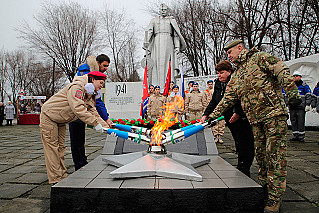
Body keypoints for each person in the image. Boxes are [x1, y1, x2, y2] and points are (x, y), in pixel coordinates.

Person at [207, 39, 301, 212]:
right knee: (262, 157)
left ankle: (274, 199)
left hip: (273, 116)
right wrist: (210, 117)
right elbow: (227, 98)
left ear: (240, 48)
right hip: (255, 120)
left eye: (230, 53)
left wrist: (292, 92)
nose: (229, 56)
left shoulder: (260, 58)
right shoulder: (238, 74)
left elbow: (281, 70)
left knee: (275, 157)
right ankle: (265, 189)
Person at [40, 71, 109, 184]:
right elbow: (78, 109)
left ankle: (62, 174)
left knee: (61, 147)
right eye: (100, 82)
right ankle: (56, 178)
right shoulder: (77, 88)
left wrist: (106, 128)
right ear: (92, 80)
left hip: (60, 119)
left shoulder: (90, 93)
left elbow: (93, 111)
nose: (101, 85)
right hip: (49, 115)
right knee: (52, 147)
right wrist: (95, 124)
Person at [201, 60, 254, 176]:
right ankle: (241, 163)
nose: (219, 75)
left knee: (245, 142)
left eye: (222, 73)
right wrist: (206, 115)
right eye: (218, 73)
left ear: (229, 72)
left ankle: (245, 167)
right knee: (238, 142)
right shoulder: (219, 84)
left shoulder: (237, 81)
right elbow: (215, 101)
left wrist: (239, 113)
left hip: (242, 118)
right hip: (230, 118)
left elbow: (244, 99)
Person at [69, 54, 112, 171]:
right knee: (76, 140)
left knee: (80, 139)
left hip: (84, 110)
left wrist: (105, 120)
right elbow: (94, 102)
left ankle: (82, 162)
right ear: (97, 63)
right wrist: (101, 121)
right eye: (104, 65)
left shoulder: (96, 77)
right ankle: (78, 164)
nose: (106, 68)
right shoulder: (85, 74)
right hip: (76, 111)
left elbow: (96, 102)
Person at [143, 3, 186, 86]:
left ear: (167, 11)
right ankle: (156, 87)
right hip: (156, 43)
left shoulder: (171, 20)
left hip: (168, 43)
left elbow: (176, 35)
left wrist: (177, 47)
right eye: (162, 10)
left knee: (168, 64)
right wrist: (146, 41)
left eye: (165, 10)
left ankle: (169, 86)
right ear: (159, 10)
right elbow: (149, 31)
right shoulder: (154, 20)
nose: (163, 11)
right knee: (156, 64)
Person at [288, 71, 312, 142]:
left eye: (297, 76)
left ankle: (301, 137)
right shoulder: (291, 86)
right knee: (293, 121)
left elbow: (308, 96)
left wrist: (307, 105)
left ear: (300, 77)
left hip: (301, 107)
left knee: (300, 122)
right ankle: (295, 136)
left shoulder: (304, 86)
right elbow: (286, 96)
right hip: (292, 107)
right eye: (294, 76)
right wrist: (287, 105)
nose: (295, 77)